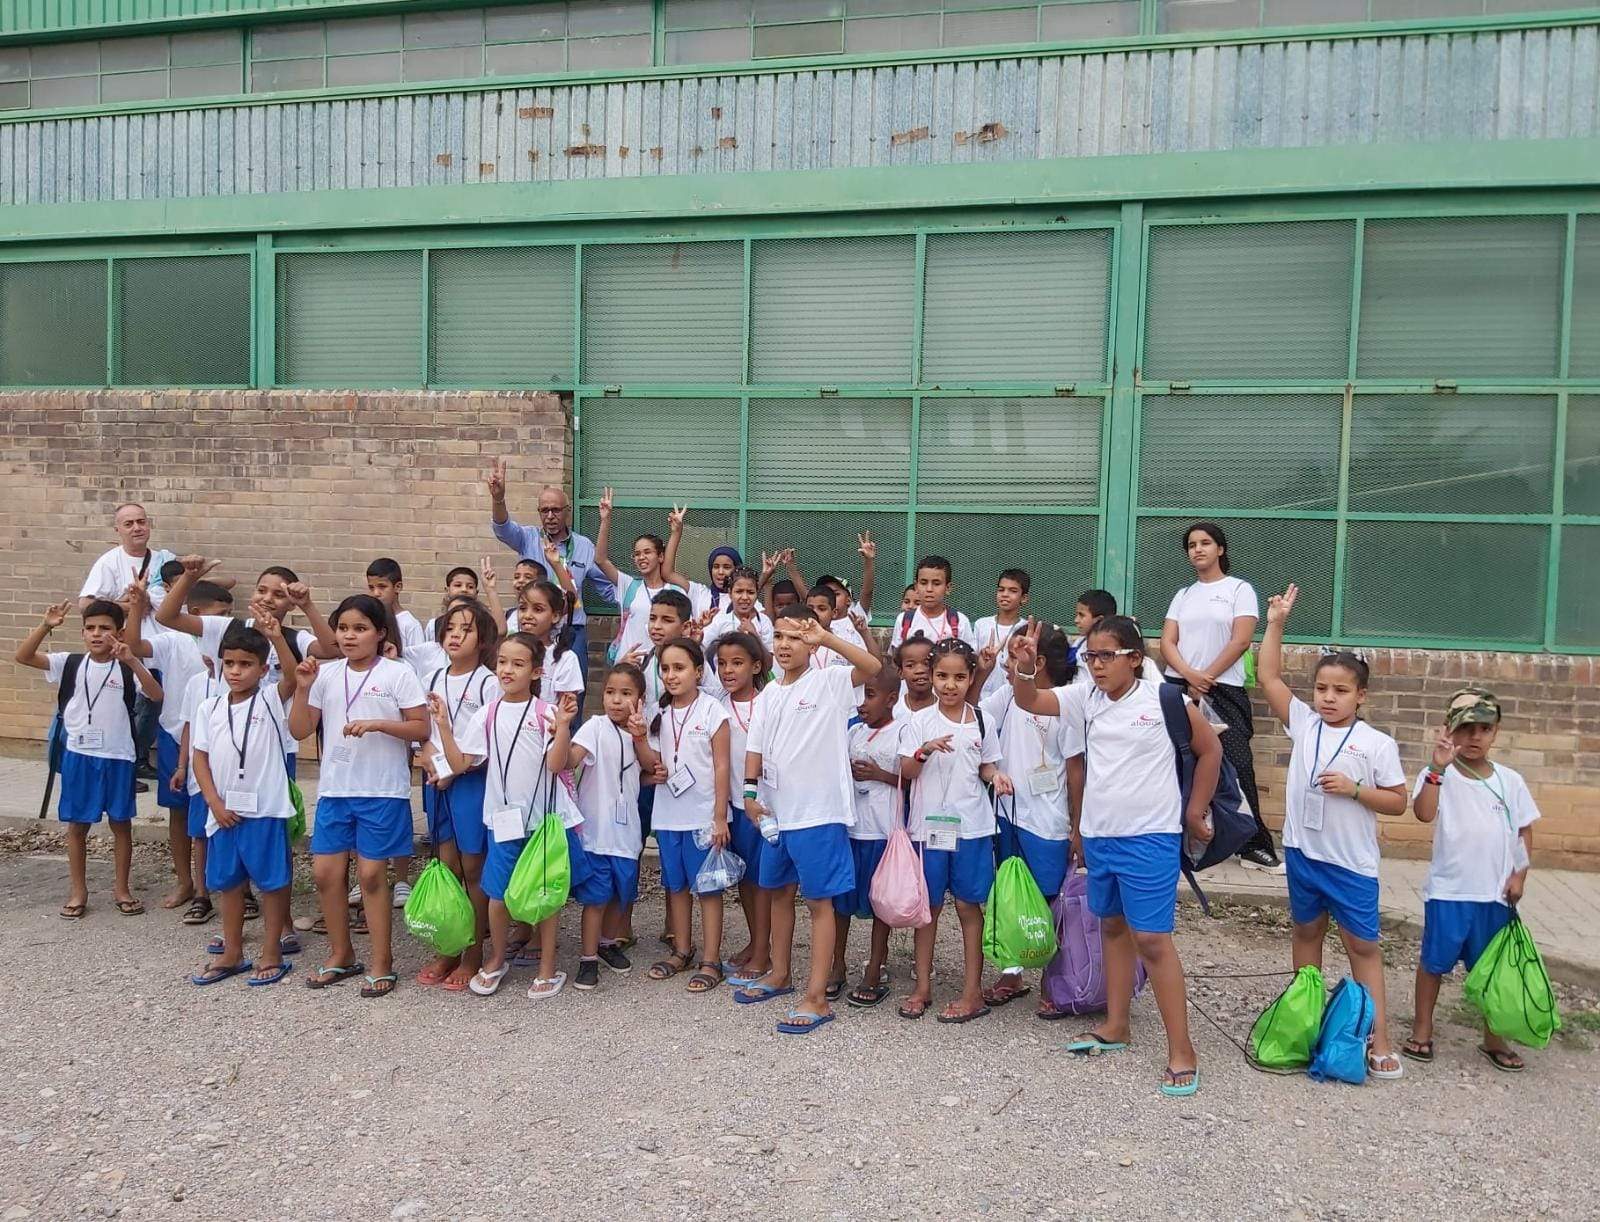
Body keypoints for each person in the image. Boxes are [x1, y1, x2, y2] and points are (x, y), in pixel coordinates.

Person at [1010, 615, 1220, 1098]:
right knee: (1112, 926)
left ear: (1134, 658)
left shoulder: (1165, 699)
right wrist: (1023, 669)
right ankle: (1116, 1024)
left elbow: (1210, 751)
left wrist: (1193, 810)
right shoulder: (1086, 697)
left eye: (1106, 656)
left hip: (1150, 837)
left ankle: (1181, 1049)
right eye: (1090, 657)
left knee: (1153, 938)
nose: (1097, 665)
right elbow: (1032, 701)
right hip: (1101, 835)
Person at [1257, 586, 1408, 1079]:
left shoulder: (1375, 743)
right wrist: (1276, 622)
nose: (1328, 697)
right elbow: (1268, 675)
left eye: (1340, 690)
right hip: (1304, 853)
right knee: (1305, 932)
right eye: (1322, 688)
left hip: (1349, 862)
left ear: (1360, 695)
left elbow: (1399, 801)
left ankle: (1379, 1037)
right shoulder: (1303, 723)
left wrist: (1355, 790)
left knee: (1361, 946)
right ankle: (1305, 1018)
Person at [741, 607, 882, 1035]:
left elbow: (873, 666)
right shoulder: (767, 694)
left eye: (795, 637)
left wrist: (827, 638)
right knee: (778, 893)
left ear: (811, 642)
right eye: (779, 636)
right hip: (776, 813)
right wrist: (749, 795)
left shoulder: (829, 681)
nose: (785, 645)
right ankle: (780, 973)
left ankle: (817, 996)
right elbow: (755, 747)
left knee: (819, 903)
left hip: (819, 814)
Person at [289, 594, 429, 999]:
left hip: (382, 790)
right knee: (325, 875)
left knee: (370, 876)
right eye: (343, 628)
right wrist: (301, 689)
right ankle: (341, 954)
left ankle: (382, 963)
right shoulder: (325, 674)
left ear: (380, 632)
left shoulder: (398, 673)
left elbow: (421, 728)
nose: (349, 636)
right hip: (336, 789)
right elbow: (300, 730)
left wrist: (380, 724)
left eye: (360, 628)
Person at [437, 632, 583, 999]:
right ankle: (497, 957)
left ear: (536, 672)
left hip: (543, 822)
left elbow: (555, 764)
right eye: (502, 662)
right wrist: (442, 725)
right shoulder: (488, 713)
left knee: (545, 897)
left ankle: (548, 966)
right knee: (497, 896)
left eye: (518, 664)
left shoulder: (546, 712)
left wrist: (563, 727)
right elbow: (460, 763)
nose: (507, 670)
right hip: (502, 820)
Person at [1405, 688, 1540, 1074]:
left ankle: (1494, 1036)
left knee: (1492, 970)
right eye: (1466, 729)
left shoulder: (1510, 781)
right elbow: (1423, 814)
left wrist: (1519, 875)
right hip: (1449, 891)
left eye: (1484, 728)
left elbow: (1523, 831)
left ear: (1496, 732)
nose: (1475, 737)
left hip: (1494, 895)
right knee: (1434, 963)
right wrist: (1437, 768)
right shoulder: (1439, 776)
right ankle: (1422, 1029)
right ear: (1448, 731)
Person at [15, 598, 162, 920]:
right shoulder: (69, 663)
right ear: (82, 632)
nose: (97, 634)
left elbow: (155, 694)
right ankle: (78, 890)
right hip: (80, 755)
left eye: (105, 629)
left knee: (121, 824)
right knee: (77, 826)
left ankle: (122, 889)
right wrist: (45, 626)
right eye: (91, 628)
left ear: (119, 633)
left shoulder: (126, 666)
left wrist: (134, 661)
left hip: (118, 756)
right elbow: (23, 656)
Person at [898, 639, 1009, 1023]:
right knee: (927, 909)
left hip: (973, 828)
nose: (949, 685)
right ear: (930, 676)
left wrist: (998, 777)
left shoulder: (982, 720)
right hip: (927, 830)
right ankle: (922, 986)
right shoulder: (918, 722)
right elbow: (906, 774)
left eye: (959, 677)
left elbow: (986, 766)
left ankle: (972, 991)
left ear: (971, 677)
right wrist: (923, 751)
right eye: (942, 676)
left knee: (967, 906)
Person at [1159, 522, 1280, 873]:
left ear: (1220, 549)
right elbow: (1168, 642)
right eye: (1192, 545)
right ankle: (1176, 838)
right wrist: (1189, 676)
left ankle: (1253, 846)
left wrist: (1206, 677)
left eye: (1205, 543)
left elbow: (1241, 640)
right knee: (1175, 762)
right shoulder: (1183, 595)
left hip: (1222, 688)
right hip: (1179, 686)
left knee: (1238, 763)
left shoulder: (1239, 589)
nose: (1198, 549)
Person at [187, 621, 299, 987]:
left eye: (245, 664)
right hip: (223, 812)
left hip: (264, 808)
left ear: (263, 669)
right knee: (228, 882)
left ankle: (271, 950)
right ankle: (232, 950)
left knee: (272, 881)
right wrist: (213, 801)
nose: (235, 671)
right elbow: (199, 758)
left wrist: (278, 636)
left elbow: (294, 678)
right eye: (229, 663)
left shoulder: (268, 699)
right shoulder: (209, 707)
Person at [980, 624, 1079, 1017]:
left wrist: (1077, 826)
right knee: (1010, 895)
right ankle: (1012, 970)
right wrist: (985, 671)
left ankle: (1057, 980)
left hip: (1049, 821)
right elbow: (971, 715)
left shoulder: (1066, 705)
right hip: (1008, 815)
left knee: (1052, 901)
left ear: (1037, 662)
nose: (1007, 665)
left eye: (1014, 657)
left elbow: (1075, 771)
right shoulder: (1007, 695)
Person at [123, 575, 230, 922]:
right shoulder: (171, 640)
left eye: (230, 613)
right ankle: (187, 882)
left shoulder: (228, 644)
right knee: (180, 812)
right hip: (177, 733)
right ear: (196, 612)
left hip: (223, 740)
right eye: (221, 612)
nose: (226, 619)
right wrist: (137, 609)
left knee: (225, 809)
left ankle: (232, 886)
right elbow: (135, 646)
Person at [409, 600, 501, 992]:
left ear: (482, 639)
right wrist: (433, 763)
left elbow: (487, 744)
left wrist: (450, 768)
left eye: (466, 628)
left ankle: (475, 952)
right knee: (446, 865)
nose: (455, 635)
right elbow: (424, 735)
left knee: (473, 868)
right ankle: (452, 942)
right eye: (449, 628)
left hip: (472, 782)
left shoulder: (488, 681)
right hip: (439, 782)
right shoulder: (433, 676)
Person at [556, 663, 654, 991]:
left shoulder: (642, 732)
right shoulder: (595, 727)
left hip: (626, 834)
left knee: (621, 893)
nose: (615, 700)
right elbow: (570, 760)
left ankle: (607, 942)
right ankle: (586, 958)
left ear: (641, 699)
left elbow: (650, 764)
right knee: (596, 898)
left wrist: (640, 736)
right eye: (610, 692)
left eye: (626, 694)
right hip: (597, 832)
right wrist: (562, 728)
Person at [643, 638, 732, 993]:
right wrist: (653, 770)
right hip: (667, 816)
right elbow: (649, 766)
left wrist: (720, 817)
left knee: (708, 889)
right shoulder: (657, 713)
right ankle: (682, 949)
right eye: (665, 669)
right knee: (675, 886)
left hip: (702, 816)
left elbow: (723, 766)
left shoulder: (713, 711)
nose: (671, 675)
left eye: (679, 668)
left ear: (698, 671)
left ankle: (712, 959)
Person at [487, 460, 615, 692]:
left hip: (570, 629)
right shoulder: (528, 538)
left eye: (556, 510)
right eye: (544, 510)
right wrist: (498, 498)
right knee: (531, 688)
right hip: (534, 629)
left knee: (572, 694)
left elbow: (608, 589)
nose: (550, 516)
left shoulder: (584, 546)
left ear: (567, 512)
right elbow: (502, 527)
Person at [79, 503, 178, 782]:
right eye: (129, 523)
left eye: (141, 521)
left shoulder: (164, 559)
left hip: (162, 645)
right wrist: (129, 605)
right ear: (118, 530)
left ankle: (140, 757)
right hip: (127, 648)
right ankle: (129, 763)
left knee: (156, 702)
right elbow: (85, 603)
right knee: (136, 705)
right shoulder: (110, 561)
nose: (137, 528)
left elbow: (184, 587)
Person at [833, 664, 902, 1009]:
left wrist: (881, 774)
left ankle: (876, 965)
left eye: (870, 695)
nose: (862, 703)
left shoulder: (902, 731)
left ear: (891, 699)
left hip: (882, 831)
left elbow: (915, 778)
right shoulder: (853, 732)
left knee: (880, 903)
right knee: (841, 901)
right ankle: (836, 963)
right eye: (859, 694)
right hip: (852, 828)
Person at [713, 632, 771, 987]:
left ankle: (765, 952)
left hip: (765, 809)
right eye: (721, 663)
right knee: (746, 882)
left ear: (756, 666)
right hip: (735, 804)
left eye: (737, 663)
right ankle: (755, 941)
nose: (728, 670)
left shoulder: (769, 702)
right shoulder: (716, 704)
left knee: (765, 882)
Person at [593, 487, 682, 665]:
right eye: (637, 554)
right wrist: (605, 520)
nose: (641, 557)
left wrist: (677, 531)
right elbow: (600, 559)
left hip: (662, 668)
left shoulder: (675, 591)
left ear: (661, 556)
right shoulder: (629, 585)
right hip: (628, 665)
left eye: (647, 552)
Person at [889, 556, 977, 651]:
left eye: (936, 583)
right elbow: (896, 659)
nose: (929, 589)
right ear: (916, 587)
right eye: (923, 583)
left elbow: (970, 659)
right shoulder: (904, 620)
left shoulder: (960, 622)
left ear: (948, 588)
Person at [975, 569, 1030, 698]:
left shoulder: (1026, 629)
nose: (1005, 594)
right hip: (982, 695)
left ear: (1024, 598)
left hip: (1014, 696)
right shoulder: (981, 624)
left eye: (1013, 591)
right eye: (1001, 590)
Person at [701, 566, 774, 663]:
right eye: (739, 591)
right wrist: (698, 629)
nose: (745, 597)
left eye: (750, 592)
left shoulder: (764, 621)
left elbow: (769, 663)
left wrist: (754, 636)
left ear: (757, 594)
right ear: (730, 594)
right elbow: (700, 649)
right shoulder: (720, 620)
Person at [366, 558, 426, 651]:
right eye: (371, 587)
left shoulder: (410, 624)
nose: (376, 593)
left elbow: (418, 659)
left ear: (398, 587)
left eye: (382, 586)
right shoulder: (369, 620)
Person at [424, 567, 481, 639]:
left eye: (470, 587)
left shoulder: (484, 623)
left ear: (476, 593)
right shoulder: (434, 625)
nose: (464, 589)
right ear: (447, 590)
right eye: (458, 585)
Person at [891, 637, 936, 723]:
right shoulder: (894, 710)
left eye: (926, 664)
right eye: (910, 665)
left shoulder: (945, 709)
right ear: (900, 672)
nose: (920, 670)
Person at [505, 559, 541, 633]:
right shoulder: (510, 614)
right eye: (516, 577)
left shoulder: (547, 614)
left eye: (528, 577)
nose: (520, 580)